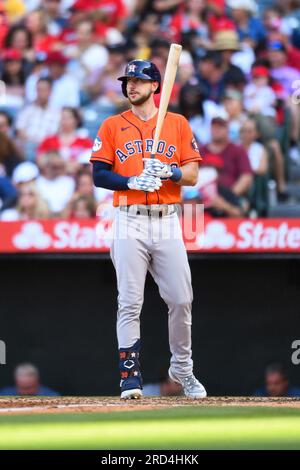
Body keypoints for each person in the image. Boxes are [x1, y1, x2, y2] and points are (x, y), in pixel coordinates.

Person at [90, 59, 207, 400]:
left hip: (167, 218)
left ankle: (182, 368)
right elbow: (99, 174)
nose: (132, 86)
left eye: (139, 80)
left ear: (156, 86)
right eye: (128, 81)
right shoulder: (113, 124)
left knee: (181, 299)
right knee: (129, 301)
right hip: (129, 217)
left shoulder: (177, 123)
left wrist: (170, 171)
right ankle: (129, 376)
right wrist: (129, 180)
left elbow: (193, 175)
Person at [200, 116, 253, 198]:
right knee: (190, 209)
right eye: (214, 127)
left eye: (220, 127)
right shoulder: (200, 151)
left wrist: (229, 196)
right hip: (201, 197)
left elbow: (246, 177)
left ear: (228, 129)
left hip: (230, 198)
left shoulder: (238, 150)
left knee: (239, 208)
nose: (216, 130)